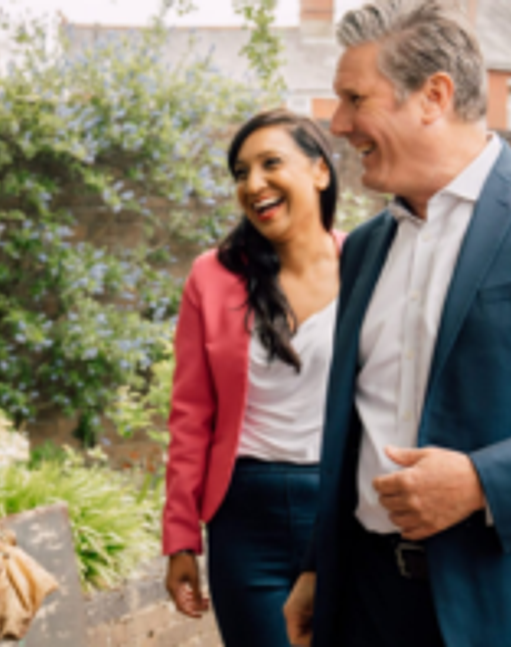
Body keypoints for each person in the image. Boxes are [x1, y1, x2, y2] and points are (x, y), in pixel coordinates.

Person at [283, 1, 511, 646]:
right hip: (370, 605)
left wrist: (482, 483)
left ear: (433, 97)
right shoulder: (362, 248)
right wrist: (317, 566)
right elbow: (355, 430)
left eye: (355, 99)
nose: (337, 125)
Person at [163, 109, 343, 646]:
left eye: (270, 164)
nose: (253, 184)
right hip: (245, 517)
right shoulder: (212, 276)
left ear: (319, 172)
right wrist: (181, 539)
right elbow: (190, 416)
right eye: (241, 173)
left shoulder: (368, 263)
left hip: (340, 509)